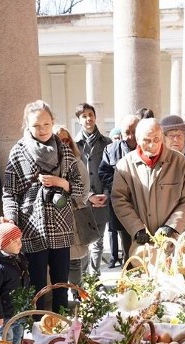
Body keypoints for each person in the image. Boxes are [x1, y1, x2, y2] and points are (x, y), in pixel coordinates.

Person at [2, 100, 84, 314]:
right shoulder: (18, 152)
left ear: (52, 122)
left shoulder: (64, 150)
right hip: (32, 227)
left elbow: (79, 188)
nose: (42, 130)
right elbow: (10, 192)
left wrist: (61, 183)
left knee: (61, 285)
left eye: (46, 124)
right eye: (36, 126)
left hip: (61, 226)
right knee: (36, 286)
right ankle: (38, 331)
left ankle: (62, 330)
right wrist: (11, 220)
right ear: (27, 126)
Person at [111, 118, 185, 256]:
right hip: (143, 244)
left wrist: (172, 226)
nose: (152, 145)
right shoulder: (125, 165)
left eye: (157, 139)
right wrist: (137, 228)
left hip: (175, 240)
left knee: (179, 274)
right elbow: (119, 200)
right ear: (138, 139)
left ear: (162, 137)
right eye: (147, 140)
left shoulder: (179, 161)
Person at [73, 103, 112, 276]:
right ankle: (82, 280)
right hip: (82, 201)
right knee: (82, 243)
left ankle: (95, 280)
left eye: (91, 114)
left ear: (95, 117)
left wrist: (105, 194)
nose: (88, 118)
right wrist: (88, 196)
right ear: (79, 120)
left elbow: (112, 171)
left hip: (102, 199)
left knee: (98, 242)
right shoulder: (73, 144)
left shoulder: (107, 142)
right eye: (84, 116)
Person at [0, 219, 30, 344]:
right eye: (14, 241)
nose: (19, 244)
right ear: (3, 245)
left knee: (18, 336)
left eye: (19, 240)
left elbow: (24, 281)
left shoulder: (18, 257)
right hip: (6, 313)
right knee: (6, 339)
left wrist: (27, 302)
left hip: (20, 310)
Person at [99, 114, 139, 265]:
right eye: (126, 133)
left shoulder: (148, 149)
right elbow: (104, 172)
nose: (130, 137)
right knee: (128, 248)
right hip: (123, 205)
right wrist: (120, 187)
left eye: (134, 132)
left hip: (146, 207)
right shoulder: (111, 150)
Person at [57, 125, 94, 290]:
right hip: (55, 222)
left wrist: (71, 200)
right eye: (59, 140)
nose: (64, 144)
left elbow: (84, 192)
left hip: (73, 218)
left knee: (74, 262)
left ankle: (79, 294)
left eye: (66, 140)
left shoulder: (77, 163)